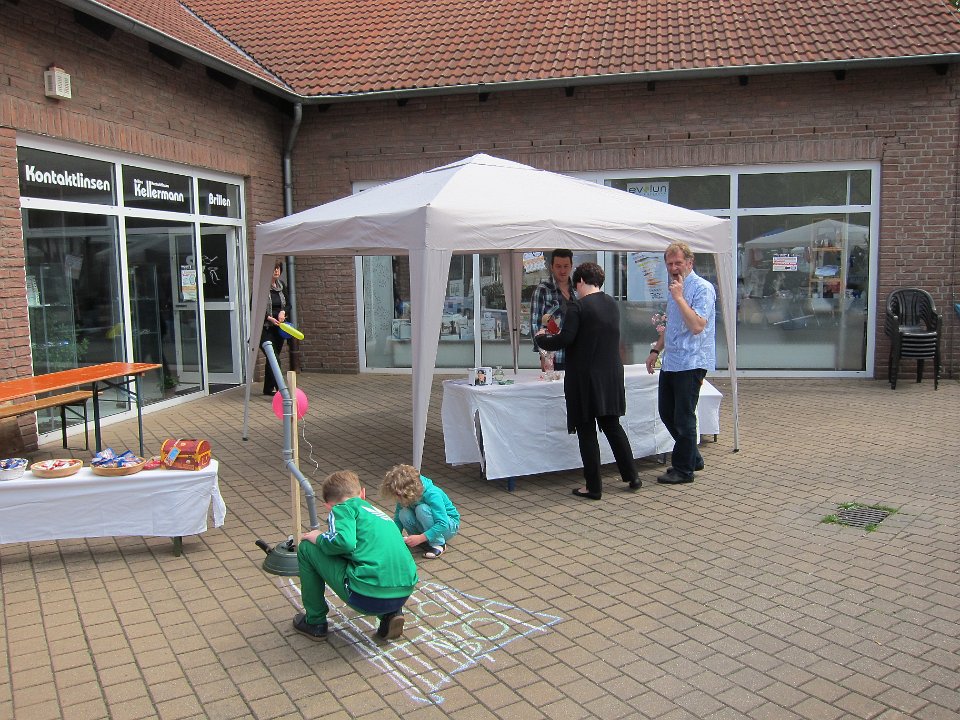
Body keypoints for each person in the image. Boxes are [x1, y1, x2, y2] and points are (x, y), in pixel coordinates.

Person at [535, 262, 640, 499]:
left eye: (576, 284)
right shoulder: (611, 304)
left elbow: (566, 339)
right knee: (612, 426)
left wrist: (542, 339)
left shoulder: (577, 307)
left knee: (586, 431)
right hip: (611, 374)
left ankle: (593, 487)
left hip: (584, 377)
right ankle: (632, 476)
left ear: (581, 281)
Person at [294, 470, 418, 641]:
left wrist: (319, 538)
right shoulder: (377, 513)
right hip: (403, 592)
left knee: (307, 547)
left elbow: (344, 543)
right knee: (375, 557)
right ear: (363, 494)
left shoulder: (342, 509)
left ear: (328, 506)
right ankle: (391, 615)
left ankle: (315, 622)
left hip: (368, 597)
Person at [645, 241, 716, 485]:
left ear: (689, 262)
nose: (674, 268)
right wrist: (656, 349)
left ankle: (684, 470)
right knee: (666, 412)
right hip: (672, 360)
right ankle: (692, 457)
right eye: (670, 264)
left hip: (692, 360)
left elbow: (697, 326)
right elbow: (672, 325)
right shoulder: (674, 288)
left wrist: (679, 297)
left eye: (678, 263)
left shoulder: (702, 288)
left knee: (684, 417)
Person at [381, 464, 460, 559]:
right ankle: (420, 539)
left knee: (422, 509)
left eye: (398, 494)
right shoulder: (404, 494)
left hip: (447, 527)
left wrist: (420, 538)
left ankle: (439, 543)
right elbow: (398, 518)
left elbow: (443, 523)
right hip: (428, 525)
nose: (397, 497)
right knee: (403, 512)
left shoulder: (433, 494)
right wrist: (395, 537)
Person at [530, 249, 577, 370]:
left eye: (566, 266)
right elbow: (535, 324)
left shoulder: (577, 290)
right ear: (551, 267)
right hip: (553, 356)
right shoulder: (543, 290)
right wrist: (543, 354)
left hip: (577, 355)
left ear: (571, 266)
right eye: (558, 266)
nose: (562, 271)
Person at [261, 261, 291, 395]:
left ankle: (267, 389)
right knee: (274, 358)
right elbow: (254, 307)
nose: (276, 271)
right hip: (265, 328)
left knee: (273, 358)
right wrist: (269, 318)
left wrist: (283, 312)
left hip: (279, 328)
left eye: (278, 268)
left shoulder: (281, 285)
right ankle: (282, 390)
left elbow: (288, 304)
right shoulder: (262, 287)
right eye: (273, 269)